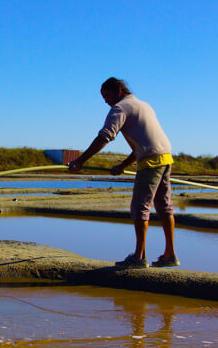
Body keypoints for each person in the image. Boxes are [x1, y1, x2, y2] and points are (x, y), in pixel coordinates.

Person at [68, 77, 179, 268]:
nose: (106, 101)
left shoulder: (121, 108)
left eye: (107, 95)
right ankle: (170, 254)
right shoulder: (143, 105)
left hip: (151, 162)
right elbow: (143, 143)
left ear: (118, 91)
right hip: (165, 157)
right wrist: (122, 165)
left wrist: (80, 160)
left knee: (140, 208)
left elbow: (105, 136)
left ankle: (139, 257)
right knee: (164, 207)